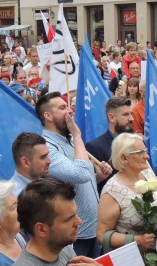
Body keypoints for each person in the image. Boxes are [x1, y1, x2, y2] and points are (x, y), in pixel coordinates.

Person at [36, 92, 112, 258]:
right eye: (63, 107)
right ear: (48, 115)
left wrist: (98, 176)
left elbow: (82, 179)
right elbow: (80, 173)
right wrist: (78, 136)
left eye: (68, 106)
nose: (70, 111)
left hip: (92, 229)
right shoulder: (47, 147)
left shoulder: (68, 140)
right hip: (74, 236)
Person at [97, 133, 157, 252]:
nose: (147, 156)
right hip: (135, 258)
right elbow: (102, 235)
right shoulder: (112, 190)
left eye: (145, 151)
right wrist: (138, 240)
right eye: (140, 152)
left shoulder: (147, 173)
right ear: (124, 158)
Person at [14, 178, 100, 266]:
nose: (79, 222)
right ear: (42, 229)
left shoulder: (61, 246)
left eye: (75, 214)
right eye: (68, 219)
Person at [86, 97, 134, 193]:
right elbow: (90, 187)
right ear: (111, 117)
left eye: (131, 114)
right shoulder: (94, 147)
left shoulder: (138, 143)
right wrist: (99, 177)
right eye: (125, 115)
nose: (131, 118)